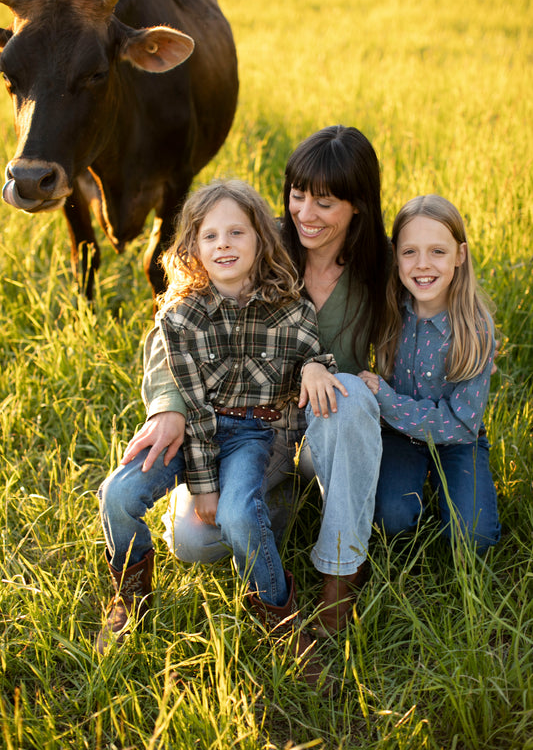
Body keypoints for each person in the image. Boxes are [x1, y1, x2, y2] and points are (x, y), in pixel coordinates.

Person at [96, 179, 346, 671]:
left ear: (260, 240)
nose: (224, 245)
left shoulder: (291, 309)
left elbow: (314, 358)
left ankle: (279, 615)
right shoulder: (180, 317)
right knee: (117, 496)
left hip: (255, 434)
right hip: (196, 430)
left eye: (237, 233)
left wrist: (319, 366)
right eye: (210, 236)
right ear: (192, 247)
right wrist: (203, 485)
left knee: (236, 516)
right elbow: (192, 404)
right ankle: (131, 596)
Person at [157, 125, 390, 636]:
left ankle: (340, 573)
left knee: (347, 399)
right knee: (193, 543)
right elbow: (174, 324)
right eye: (298, 195)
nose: (305, 213)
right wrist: (168, 405)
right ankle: (278, 504)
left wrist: (376, 383)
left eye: (325, 202)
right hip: (251, 430)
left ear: (358, 206)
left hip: (326, 430)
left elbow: (408, 340)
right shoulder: (259, 243)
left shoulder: (380, 267)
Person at [359, 194, 501, 551]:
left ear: (460, 255)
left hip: (458, 442)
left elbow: (461, 423)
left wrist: (387, 400)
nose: (423, 265)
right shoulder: (388, 309)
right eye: (410, 252)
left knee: (474, 537)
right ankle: (409, 500)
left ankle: (449, 501)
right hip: (397, 437)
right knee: (388, 520)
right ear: (396, 256)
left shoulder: (475, 327)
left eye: (438, 251)